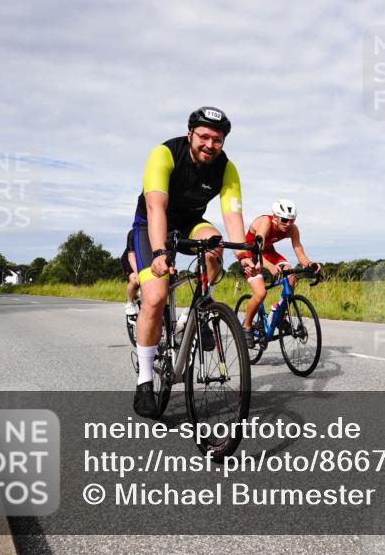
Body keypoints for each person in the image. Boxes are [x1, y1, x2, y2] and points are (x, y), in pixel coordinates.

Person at [131, 107, 255, 418]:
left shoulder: (226, 168)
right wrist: (159, 253)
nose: (210, 145)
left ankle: (197, 311)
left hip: (190, 223)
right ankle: (144, 380)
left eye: (217, 140)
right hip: (152, 225)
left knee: (215, 244)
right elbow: (155, 208)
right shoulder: (164, 154)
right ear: (190, 135)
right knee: (156, 296)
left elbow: (232, 215)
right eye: (204, 137)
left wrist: (243, 256)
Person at [238, 199, 321, 345]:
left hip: (270, 253)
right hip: (252, 253)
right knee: (260, 293)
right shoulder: (265, 222)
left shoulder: (292, 229)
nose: (288, 224)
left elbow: (299, 252)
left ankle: (280, 318)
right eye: (284, 220)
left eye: (292, 220)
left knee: (291, 276)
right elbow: (258, 248)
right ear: (275, 217)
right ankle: (246, 326)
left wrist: (310, 264)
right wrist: (268, 266)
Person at [121, 230, 139, 316]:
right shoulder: (133, 233)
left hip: (144, 259)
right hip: (130, 260)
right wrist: (137, 273)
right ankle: (129, 303)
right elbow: (131, 256)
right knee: (134, 279)